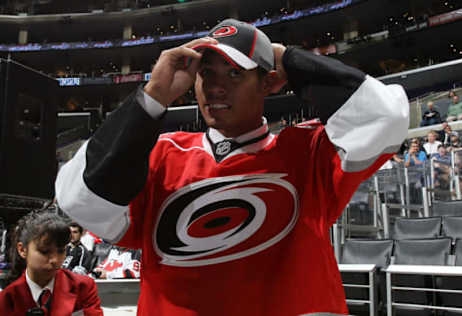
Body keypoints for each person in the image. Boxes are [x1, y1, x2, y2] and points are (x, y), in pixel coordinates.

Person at [55, 18, 409, 316]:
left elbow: (387, 117)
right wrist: (152, 97)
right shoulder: (161, 153)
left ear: (269, 82)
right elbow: (79, 199)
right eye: (205, 73)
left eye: (235, 73)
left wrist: (291, 60)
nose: (215, 87)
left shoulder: (309, 150)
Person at [0, 210, 103, 316]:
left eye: (61, 251)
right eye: (44, 251)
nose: (55, 260)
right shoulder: (6, 299)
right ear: (22, 250)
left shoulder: (83, 287)